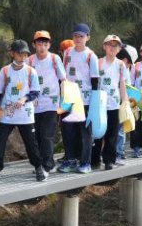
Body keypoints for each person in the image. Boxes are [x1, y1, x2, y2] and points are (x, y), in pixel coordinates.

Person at [0, 40, 42, 183]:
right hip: (7, 113)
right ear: (12, 54)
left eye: (25, 54)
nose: (22, 56)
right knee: (0, 142)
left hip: (25, 114)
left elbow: (35, 92)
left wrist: (25, 98)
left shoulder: (30, 71)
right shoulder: (5, 71)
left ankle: (39, 167)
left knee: (31, 143)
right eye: (19, 53)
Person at [59, 24, 100, 173]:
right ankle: (70, 159)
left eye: (81, 36)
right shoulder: (68, 52)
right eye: (76, 36)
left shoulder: (91, 56)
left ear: (87, 37)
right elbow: (63, 75)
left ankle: (85, 162)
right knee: (68, 131)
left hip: (85, 100)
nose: (78, 39)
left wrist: (94, 103)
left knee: (85, 133)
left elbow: (95, 81)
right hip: (68, 99)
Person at [27, 31, 66, 174]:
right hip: (34, 105)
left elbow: (63, 79)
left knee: (47, 135)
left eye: (45, 44)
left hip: (52, 103)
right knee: (36, 136)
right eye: (39, 44)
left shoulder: (55, 59)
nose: (42, 47)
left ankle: (48, 165)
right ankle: (40, 164)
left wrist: (64, 99)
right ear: (34, 45)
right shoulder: (30, 61)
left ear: (49, 45)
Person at [93, 35, 128, 169]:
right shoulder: (98, 62)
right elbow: (94, 82)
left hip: (114, 103)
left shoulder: (120, 65)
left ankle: (109, 160)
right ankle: (94, 160)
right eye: (110, 45)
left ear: (119, 49)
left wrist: (124, 101)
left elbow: (122, 83)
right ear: (104, 46)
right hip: (99, 103)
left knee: (112, 134)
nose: (112, 48)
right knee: (97, 133)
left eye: (116, 46)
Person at [115, 44, 137, 163]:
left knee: (120, 129)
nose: (129, 66)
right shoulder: (120, 67)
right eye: (129, 63)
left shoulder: (124, 69)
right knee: (117, 130)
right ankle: (117, 153)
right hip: (113, 103)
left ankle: (118, 152)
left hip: (120, 103)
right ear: (125, 60)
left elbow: (127, 88)